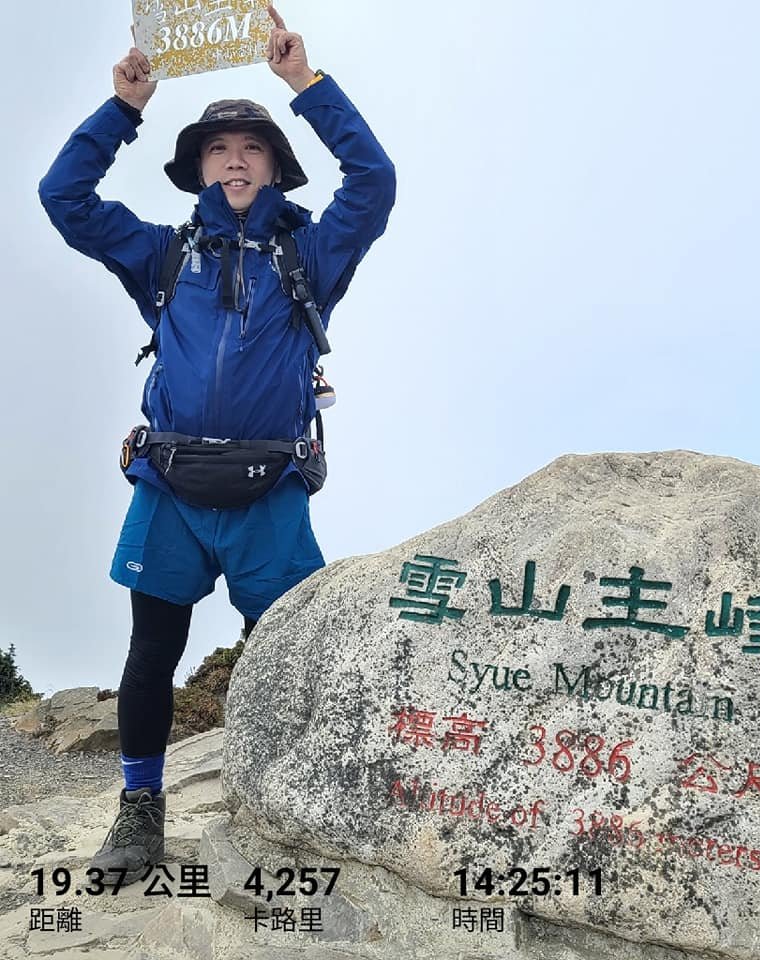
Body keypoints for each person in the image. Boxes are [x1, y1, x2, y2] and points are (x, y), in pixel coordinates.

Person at [38, 6, 395, 883]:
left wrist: (305, 87)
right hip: (169, 487)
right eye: (217, 148)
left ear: (274, 166)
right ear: (198, 166)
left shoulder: (310, 256)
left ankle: (304, 799)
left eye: (252, 147)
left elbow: (374, 182)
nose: (235, 158)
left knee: (294, 656)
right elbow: (65, 199)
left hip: (270, 489)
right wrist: (120, 110)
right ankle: (140, 810)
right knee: (152, 652)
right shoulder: (163, 256)